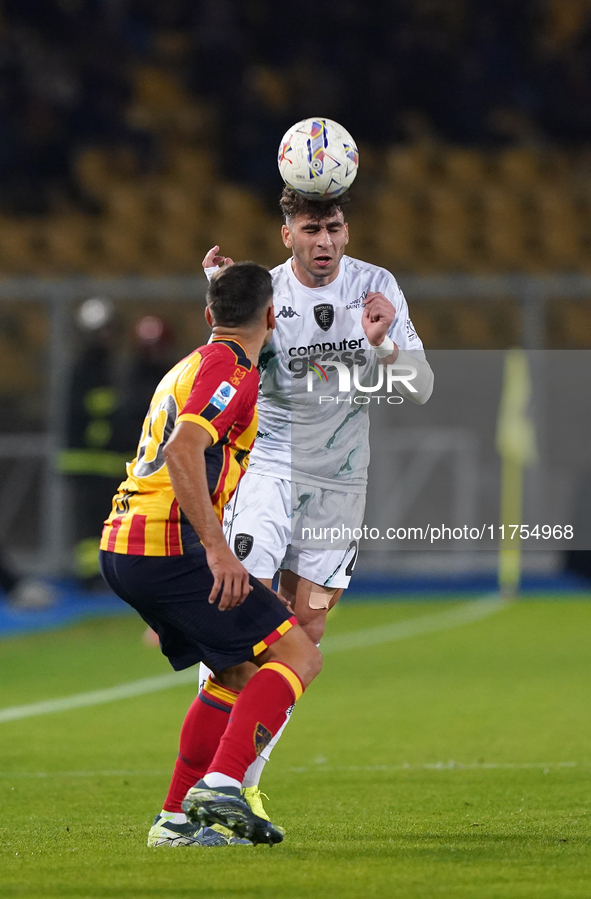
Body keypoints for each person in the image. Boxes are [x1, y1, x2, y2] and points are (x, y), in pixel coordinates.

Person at [199, 187, 434, 819]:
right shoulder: (269, 295)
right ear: (287, 236)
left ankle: (239, 781)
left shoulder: (375, 286)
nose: (324, 242)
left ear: (347, 231)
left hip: (341, 487)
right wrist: (223, 303)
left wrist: (385, 344)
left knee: (306, 632)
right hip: (270, 472)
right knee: (239, 616)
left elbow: (420, 388)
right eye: (311, 230)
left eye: (333, 228)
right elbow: (228, 363)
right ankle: (206, 780)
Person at [99, 262, 322, 847]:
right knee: (299, 655)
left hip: (125, 546)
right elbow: (184, 448)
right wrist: (219, 551)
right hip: (166, 545)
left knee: (236, 673)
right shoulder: (230, 369)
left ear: (208, 317)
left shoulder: (196, 362)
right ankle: (221, 785)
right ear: (272, 317)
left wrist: (224, 283)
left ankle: (174, 821)